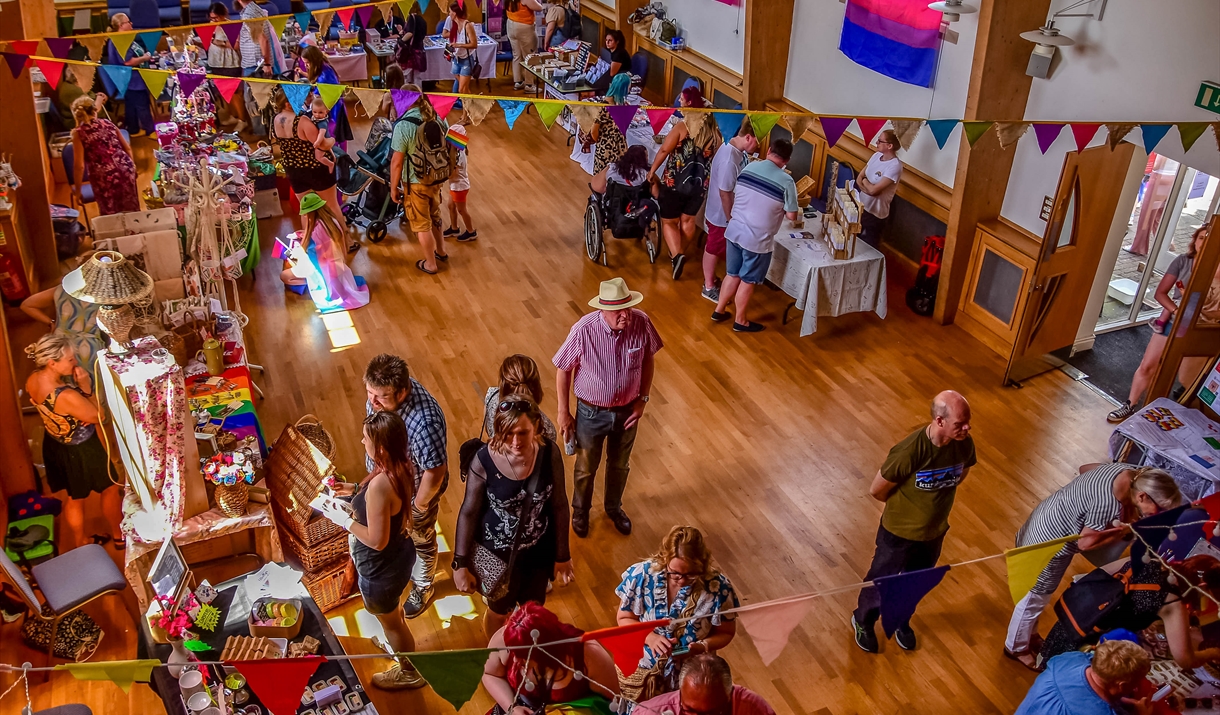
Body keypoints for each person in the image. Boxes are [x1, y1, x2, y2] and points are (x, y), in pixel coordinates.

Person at [1005, 464, 1181, 670]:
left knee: (1036, 595)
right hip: (1049, 544)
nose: (1157, 516)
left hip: (1045, 516)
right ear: (1142, 496)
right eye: (1158, 511)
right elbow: (1085, 543)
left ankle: (1029, 636)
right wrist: (1124, 531)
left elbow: (1085, 468)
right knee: (1035, 596)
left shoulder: (1131, 472)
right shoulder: (1108, 504)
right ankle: (1015, 647)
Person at [852, 390, 975, 654]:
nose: (967, 427)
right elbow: (877, 490)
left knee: (914, 581)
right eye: (960, 423)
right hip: (898, 533)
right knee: (881, 581)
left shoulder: (964, 443)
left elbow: (963, 471)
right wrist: (906, 510)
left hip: (934, 532)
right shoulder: (909, 451)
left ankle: (900, 619)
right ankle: (863, 621)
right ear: (939, 421)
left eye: (967, 422)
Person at [316, 412, 426, 690]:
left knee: (393, 624)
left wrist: (344, 520)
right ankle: (395, 636)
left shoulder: (379, 485)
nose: (361, 440)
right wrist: (354, 489)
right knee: (393, 615)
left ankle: (409, 670)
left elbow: (376, 540)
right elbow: (386, 503)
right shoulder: (401, 465)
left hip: (380, 570)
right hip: (399, 557)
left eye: (365, 437)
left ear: (380, 447)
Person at [453, 398, 573, 637]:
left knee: (533, 612)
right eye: (508, 434)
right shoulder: (483, 460)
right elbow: (468, 511)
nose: (516, 442)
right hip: (497, 556)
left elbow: (559, 504)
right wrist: (460, 563)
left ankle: (524, 656)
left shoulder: (549, 453)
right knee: (498, 612)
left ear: (536, 426)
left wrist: (563, 555)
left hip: (537, 554)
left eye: (522, 433)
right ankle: (496, 654)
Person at [554, 277, 663, 537]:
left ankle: (614, 508)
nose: (625, 315)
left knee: (620, 465)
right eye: (618, 311)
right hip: (591, 412)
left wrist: (643, 399)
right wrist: (563, 412)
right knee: (585, 467)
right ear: (602, 310)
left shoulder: (642, 322)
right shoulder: (583, 329)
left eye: (627, 308)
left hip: (627, 410)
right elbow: (563, 369)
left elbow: (648, 359)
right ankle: (580, 511)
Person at [363, 354, 449, 618]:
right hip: (387, 481)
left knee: (421, 539)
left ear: (402, 391)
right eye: (369, 393)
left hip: (413, 493)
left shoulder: (425, 422)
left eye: (380, 397)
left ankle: (423, 585)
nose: (372, 402)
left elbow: (435, 471)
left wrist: (418, 508)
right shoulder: (380, 398)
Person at [616, 527, 739, 701]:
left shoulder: (718, 587)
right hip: (643, 673)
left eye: (690, 575)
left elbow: (726, 632)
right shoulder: (641, 575)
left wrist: (702, 647)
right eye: (674, 573)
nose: (681, 580)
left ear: (702, 564)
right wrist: (649, 637)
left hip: (691, 678)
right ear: (665, 558)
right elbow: (624, 618)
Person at [23, 334, 121, 546]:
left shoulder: (33, 379)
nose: (75, 362)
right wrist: (85, 387)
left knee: (74, 497)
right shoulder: (66, 395)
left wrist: (75, 412)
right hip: (82, 450)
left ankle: (80, 542)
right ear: (52, 363)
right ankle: (119, 536)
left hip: (57, 445)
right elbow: (99, 416)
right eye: (70, 359)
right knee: (110, 489)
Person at [1040, 554, 1220, 668]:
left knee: (1051, 677)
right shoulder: (1173, 601)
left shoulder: (1149, 559)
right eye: (1208, 598)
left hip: (1071, 623)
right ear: (1202, 586)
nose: (1204, 605)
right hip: (1085, 647)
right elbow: (1185, 660)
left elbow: (1098, 575)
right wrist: (1213, 653)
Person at [1109, 225, 1210, 423]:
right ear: (1194, 240)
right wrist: (1175, 310)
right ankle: (1130, 404)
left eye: (1209, 239)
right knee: (1148, 365)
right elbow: (1160, 293)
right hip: (1174, 322)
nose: (1204, 242)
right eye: (1201, 237)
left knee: (1186, 378)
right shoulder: (1182, 261)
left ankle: (1174, 417)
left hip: (1200, 328)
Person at [711, 138, 798, 333]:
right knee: (748, 279)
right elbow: (792, 215)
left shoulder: (748, 168)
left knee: (732, 274)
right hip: (757, 240)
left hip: (734, 230)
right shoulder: (787, 181)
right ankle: (740, 321)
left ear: (769, 151)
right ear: (787, 160)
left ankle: (719, 309)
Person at [483, 603, 619, 714]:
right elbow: (489, 674)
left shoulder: (588, 655)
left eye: (524, 657)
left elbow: (614, 701)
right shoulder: (506, 638)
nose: (516, 662)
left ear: (545, 651)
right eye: (513, 654)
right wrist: (512, 707)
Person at [648, 86, 721, 281]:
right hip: (699, 186)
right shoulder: (715, 133)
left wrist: (652, 170)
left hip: (675, 183)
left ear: (690, 104)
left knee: (669, 221)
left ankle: (678, 254)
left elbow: (664, 150)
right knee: (688, 221)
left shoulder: (683, 127)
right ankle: (677, 254)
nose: (679, 102)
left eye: (681, 99)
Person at [390, 87, 451, 275]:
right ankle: (441, 251)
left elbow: (397, 162)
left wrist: (394, 187)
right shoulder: (438, 118)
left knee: (421, 223)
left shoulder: (403, 126)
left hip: (414, 182)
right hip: (436, 179)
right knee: (435, 215)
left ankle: (430, 263)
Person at [281, 193, 370, 311]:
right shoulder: (332, 222)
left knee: (284, 276)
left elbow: (310, 259)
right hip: (337, 268)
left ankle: (313, 283)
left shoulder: (315, 231)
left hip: (321, 271)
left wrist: (297, 252)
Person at [701, 124, 759, 303]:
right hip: (721, 216)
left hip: (728, 213)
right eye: (757, 141)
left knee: (719, 248)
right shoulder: (729, 159)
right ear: (748, 137)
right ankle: (709, 286)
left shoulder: (735, 149)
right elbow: (724, 193)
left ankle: (715, 281)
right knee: (713, 248)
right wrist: (730, 219)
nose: (758, 146)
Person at [1015, 640, 1153, 715]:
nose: (1136, 687)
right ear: (1121, 685)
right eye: (1135, 682)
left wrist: (1122, 700)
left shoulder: (1068, 660)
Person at [270, 87, 342, 219]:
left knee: (307, 210)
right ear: (288, 103)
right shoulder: (301, 120)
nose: (302, 101)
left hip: (293, 169)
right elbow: (323, 145)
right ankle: (345, 239)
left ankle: (309, 239)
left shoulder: (275, 119)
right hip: (315, 168)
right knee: (332, 205)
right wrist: (333, 139)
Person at [70, 95, 139, 216]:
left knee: (110, 213)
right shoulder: (107, 123)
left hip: (103, 178)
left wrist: (78, 191)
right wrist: (132, 166)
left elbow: (79, 166)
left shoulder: (79, 134)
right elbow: (127, 147)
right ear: (94, 111)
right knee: (131, 209)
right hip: (125, 168)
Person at [638, 655, 776, 715]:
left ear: (730, 695)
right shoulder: (649, 712)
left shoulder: (753, 708)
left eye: (713, 713)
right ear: (680, 693)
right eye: (691, 711)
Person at [20, 281, 107, 371]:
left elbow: (27, 305)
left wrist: (51, 323)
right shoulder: (107, 293)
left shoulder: (62, 289)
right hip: (89, 347)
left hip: (60, 345)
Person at [483, 355, 558, 442]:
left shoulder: (491, 395)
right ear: (536, 386)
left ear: (504, 385)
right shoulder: (546, 429)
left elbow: (488, 429)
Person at [104, 14, 156, 137]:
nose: (131, 24)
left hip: (130, 78)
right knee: (142, 103)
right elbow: (128, 62)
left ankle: (133, 129)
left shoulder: (125, 38)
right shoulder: (119, 40)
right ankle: (150, 130)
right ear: (121, 25)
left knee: (131, 104)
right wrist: (145, 58)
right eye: (128, 22)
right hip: (131, 79)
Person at [854, 129, 902, 248]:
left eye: (880, 141)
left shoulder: (895, 166)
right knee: (853, 242)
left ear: (889, 146)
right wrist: (867, 186)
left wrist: (865, 182)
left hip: (875, 215)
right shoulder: (876, 156)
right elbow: (859, 178)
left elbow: (874, 191)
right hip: (861, 206)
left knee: (868, 248)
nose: (876, 142)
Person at [206, 3, 247, 132]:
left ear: (223, 15)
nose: (213, 21)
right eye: (211, 18)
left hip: (229, 63)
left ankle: (243, 120)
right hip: (216, 63)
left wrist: (220, 43)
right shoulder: (210, 27)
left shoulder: (231, 25)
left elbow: (236, 45)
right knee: (224, 93)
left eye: (216, 18)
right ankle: (232, 116)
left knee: (235, 94)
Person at [302, 46, 353, 148]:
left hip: (333, 112)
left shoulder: (325, 74)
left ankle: (340, 161)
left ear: (314, 60)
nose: (305, 65)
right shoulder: (322, 68)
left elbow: (325, 97)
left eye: (307, 63)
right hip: (327, 110)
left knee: (334, 138)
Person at [586, 74, 632, 185]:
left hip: (620, 147)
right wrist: (601, 141)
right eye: (628, 88)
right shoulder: (605, 106)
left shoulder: (620, 104)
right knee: (604, 180)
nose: (630, 90)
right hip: (607, 150)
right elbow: (593, 130)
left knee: (618, 181)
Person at [444, 124, 477, 242]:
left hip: (459, 187)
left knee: (462, 210)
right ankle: (454, 228)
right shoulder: (457, 151)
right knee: (451, 206)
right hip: (455, 185)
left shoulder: (457, 156)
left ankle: (471, 231)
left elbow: (451, 174)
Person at [505, 0, 543, 92]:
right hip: (524, 27)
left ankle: (518, 82)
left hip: (511, 24)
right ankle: (529, 85)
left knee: (516, 55)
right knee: (529, 56)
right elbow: (539, 7)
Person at [391, 2, 428, 86]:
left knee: (407, 78)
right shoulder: (422, 20)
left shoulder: (412, 18)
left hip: (410, 53)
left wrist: (401, 41)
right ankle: (418, 96)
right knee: (417, 78)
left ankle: (408, 96)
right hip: (419, 51)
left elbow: (410, 33)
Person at [234, 0, 273, 78]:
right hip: (255, 64)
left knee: (254, 89)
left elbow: (263, 39)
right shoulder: (253, 9)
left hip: (255, 65)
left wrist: (267, 64)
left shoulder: (249, 14)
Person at [446, 4, 479, 95]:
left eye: (450, 12)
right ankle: (469, 105)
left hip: (466, 61)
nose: (449, 14)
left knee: (461, 90)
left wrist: (459, 45)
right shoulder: (454, 25)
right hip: (456, 59)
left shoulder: (468, 25)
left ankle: (470, 104)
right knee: (464, 89)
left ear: (455, 13)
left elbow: (474, 44)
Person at [309, 96, 337, 170]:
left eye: (320, 112)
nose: (317, 115)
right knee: (329, 149)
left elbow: (321, 133)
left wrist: (318, 142)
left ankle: (330, 164)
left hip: (323, 141)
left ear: (326, 111)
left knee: (318, 157)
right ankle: (334, 157)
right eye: (314, 112)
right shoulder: (316, 118)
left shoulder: (322, 122)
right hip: (325, 139)